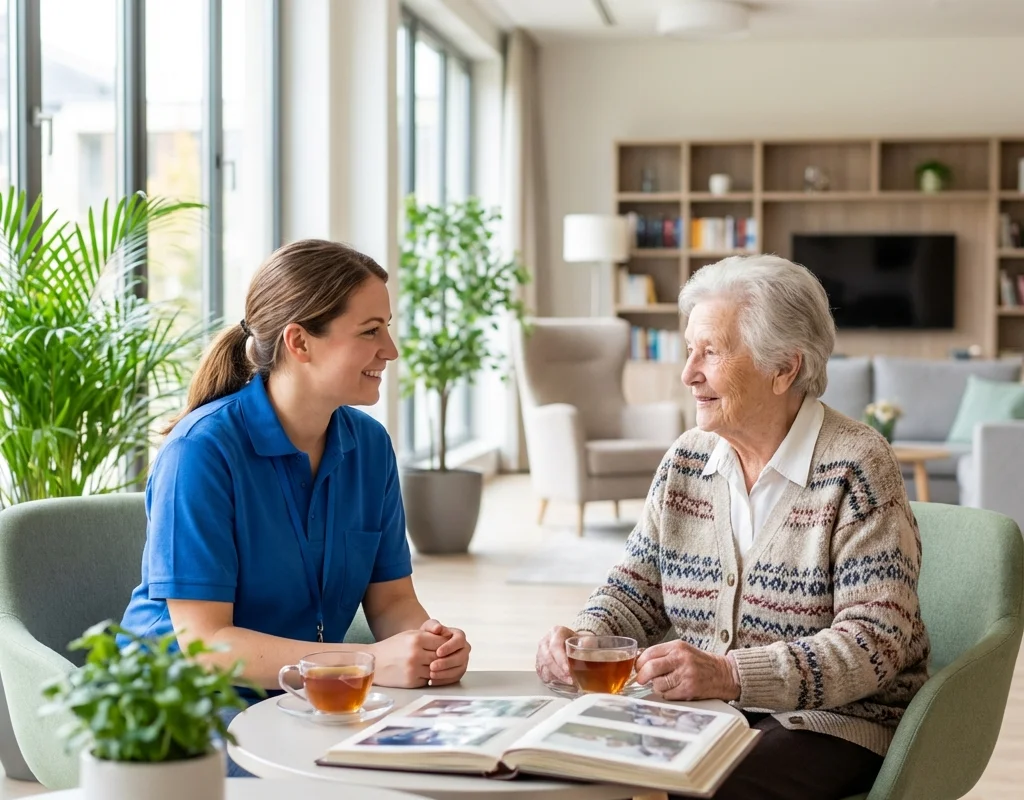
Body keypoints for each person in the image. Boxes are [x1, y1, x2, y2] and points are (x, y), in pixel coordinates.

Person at [536, 254, 930, 800]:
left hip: (835, 722)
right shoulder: (687, 461)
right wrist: (586, 636)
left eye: (711, 352)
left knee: (706, 786)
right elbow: (634, 590)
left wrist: (731, 675)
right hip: (707, 715)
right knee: (567, 761)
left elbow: (874, 644)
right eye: (689, 349)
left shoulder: (857, 466)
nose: (687, 373)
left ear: (784, 368)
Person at [119, 239, 471, 718]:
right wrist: (361, 660)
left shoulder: (369, 447)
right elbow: (206, 647)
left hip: (310, 696)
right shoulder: (200, 452)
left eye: (386, 328)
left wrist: (429, 645)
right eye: (370, 331)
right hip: (181, 708)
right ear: (299, 341)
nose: (390, 350)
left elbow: (392, 601)